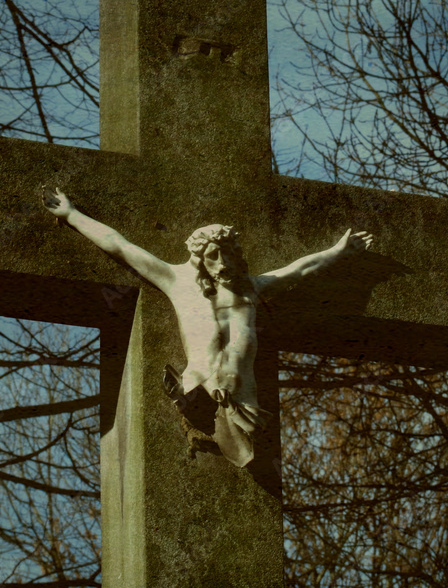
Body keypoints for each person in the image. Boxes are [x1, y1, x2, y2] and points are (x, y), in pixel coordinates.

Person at [41, 185, 373, 467]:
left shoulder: (251, 288)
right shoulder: (177, 281)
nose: (224, 262)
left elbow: (299, 270)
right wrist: (71, 215)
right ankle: (204, 432)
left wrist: (339, 251)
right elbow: (121, 246)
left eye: (229, 253)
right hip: (199, 396)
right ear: (199, 258)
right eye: (214, 256)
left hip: (245, 403)